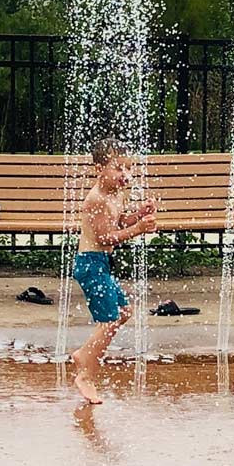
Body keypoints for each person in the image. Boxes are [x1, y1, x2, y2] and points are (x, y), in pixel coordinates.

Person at [71, 138, 157, 404]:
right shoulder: (95, 200)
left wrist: (139, 215)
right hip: (90, 265)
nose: (126, 175)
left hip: (101, 265)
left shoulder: (116, 195)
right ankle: (85, 370)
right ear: (99, 169)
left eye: (128, 169)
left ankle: (85, 356)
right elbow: (107, 237)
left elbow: (119, 222)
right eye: (119, 168)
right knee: (108, 322)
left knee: (123, 312)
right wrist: (139, 230)